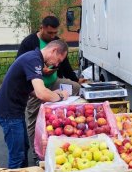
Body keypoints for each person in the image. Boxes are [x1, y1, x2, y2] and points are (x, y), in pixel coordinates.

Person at [17, 16, 86, 162]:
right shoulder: (29, 42)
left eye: (55, 33)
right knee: (34, 121)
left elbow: (65, 65)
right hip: (36, 86)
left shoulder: (57, 43)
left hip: (54, 82)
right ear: (41, 28)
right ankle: (37, 155)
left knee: (76, 88)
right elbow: (22, 65)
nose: (52, 36)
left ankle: (68, 129)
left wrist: (75, 79)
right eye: (49, 33)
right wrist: (41, 71)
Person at [0, 40, 70, 169]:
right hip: (9, 113)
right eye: (58, 60)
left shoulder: (34, 58)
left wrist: (50, 93)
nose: (56, 64)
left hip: (14, 112)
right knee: (17, 155)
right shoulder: (33, 60)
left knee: (23, 148)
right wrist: (60, 96)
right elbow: (40, 93)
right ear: (54, 50)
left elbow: (31, 89)